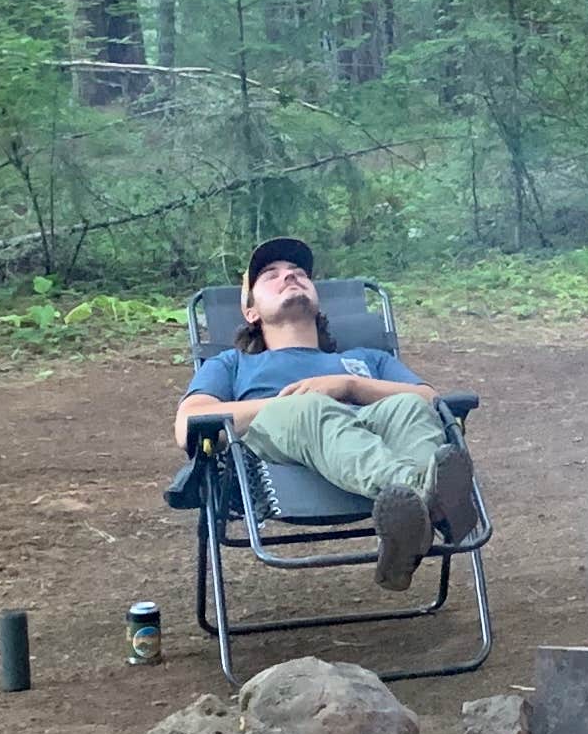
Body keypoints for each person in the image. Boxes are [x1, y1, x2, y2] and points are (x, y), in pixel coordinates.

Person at [176, 239, 477, 590]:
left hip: (371, 436)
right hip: (276, 453)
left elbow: (430, 400)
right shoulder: (232, 363)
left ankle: (410, 523)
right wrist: (287, 404)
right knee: (309, 407)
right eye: (271, 275)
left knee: (409, 405)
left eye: (299, 273)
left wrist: (349, 386)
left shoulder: (367, 359)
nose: (289, 276)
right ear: (251, 312)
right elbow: (189, 423)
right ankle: (433, 503)